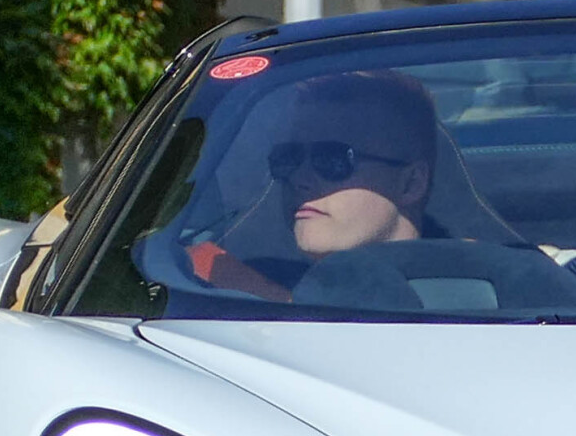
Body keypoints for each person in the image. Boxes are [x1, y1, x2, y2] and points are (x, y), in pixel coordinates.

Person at [185, 70, 440, 299]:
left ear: (411, 183)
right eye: (289, 158)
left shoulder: (476, 297)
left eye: (333, 158)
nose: (299, 178)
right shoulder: (197, 285)